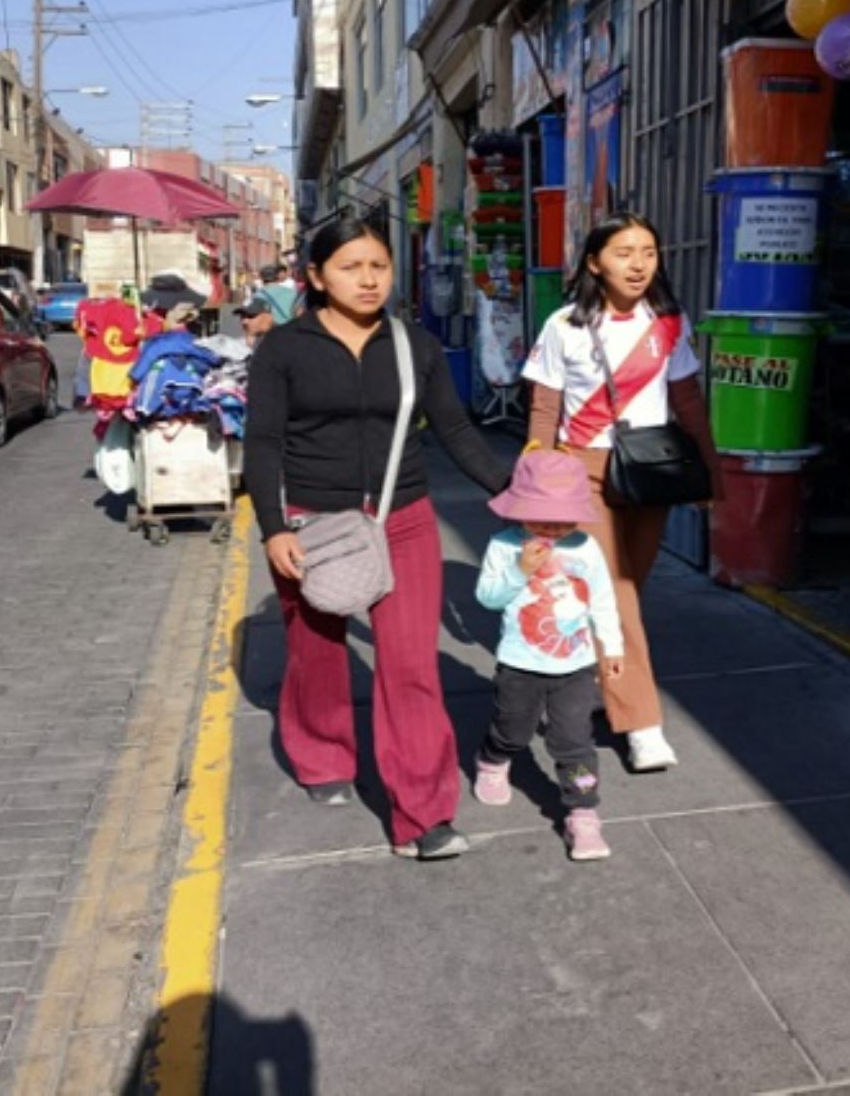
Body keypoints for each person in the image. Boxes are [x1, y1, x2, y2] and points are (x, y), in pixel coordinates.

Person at [244, 218, 513, 861]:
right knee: (317, 651)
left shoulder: (412, 343)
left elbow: (455, 427)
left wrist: (516, 493)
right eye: (350, 267)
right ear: (315, 277)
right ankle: (323, 753)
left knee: (411, 665)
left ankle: (424, 815)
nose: (368, 279)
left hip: (404, 517)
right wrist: (273, 529)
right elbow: (262, 442)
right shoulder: (284, 348)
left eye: (379, 267)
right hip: (313, 523)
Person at [522, 211, 723, 773]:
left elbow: (688, 402)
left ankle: (590, 682)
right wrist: (538, 485)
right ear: (594, 261)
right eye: (623, 253)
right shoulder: (565, 324)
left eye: (648, 253)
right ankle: (641, 723)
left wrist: (711, 474)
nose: (638, 265)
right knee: (615, 595)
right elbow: (544, 410)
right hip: (580, 469)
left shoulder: (669, 322)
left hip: (650, 468)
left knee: (626, 584)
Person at [473, 449, 624, 862]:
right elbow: (487, 598)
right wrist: (520, 569)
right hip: (521, 662)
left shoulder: (586, 548)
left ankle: (583, 812)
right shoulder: (504, 546)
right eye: (541, 515)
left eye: (563, 517)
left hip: (575, 665)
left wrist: (611, 646)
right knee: (513, 728)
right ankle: (493, 758)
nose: (553, 527)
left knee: (574, 740)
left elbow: (603, 599)